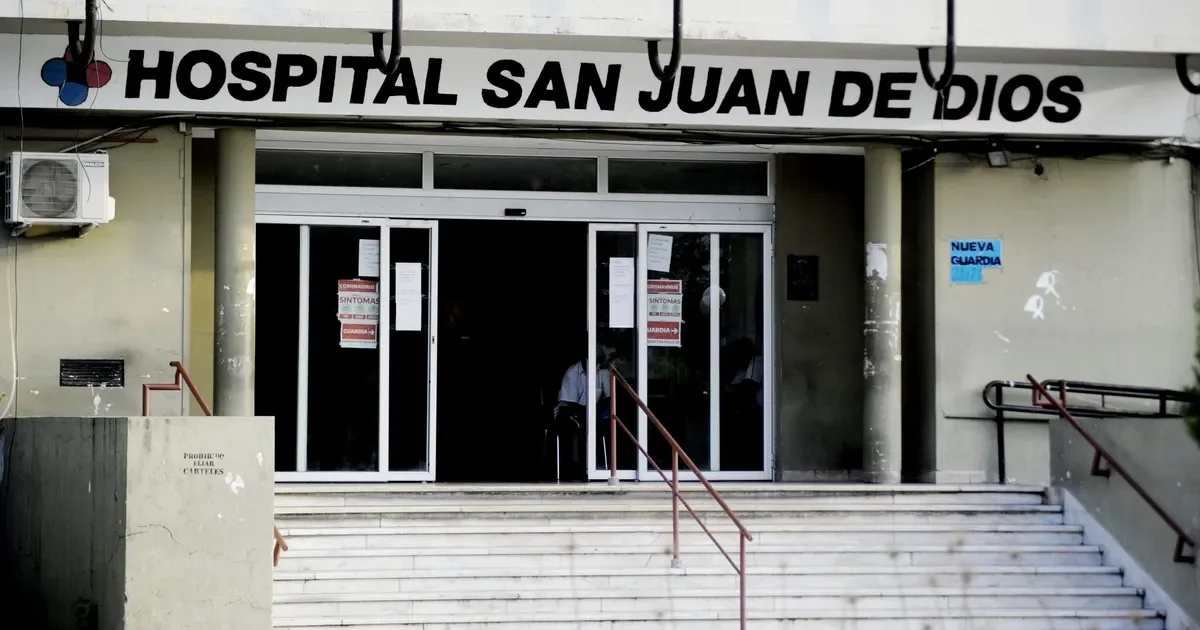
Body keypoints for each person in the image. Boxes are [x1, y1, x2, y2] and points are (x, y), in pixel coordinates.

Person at [547, 344, 613, 481]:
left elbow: (609, 399)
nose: (595, 362)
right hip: (567, 411)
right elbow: (570, 403)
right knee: (575, 427)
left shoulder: (602, 372)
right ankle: (574, 471)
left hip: (591, 413)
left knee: (606, 426)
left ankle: (600, 468)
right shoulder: (572, 373)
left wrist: (594, 413)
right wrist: (590, 413)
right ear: (584, 358)